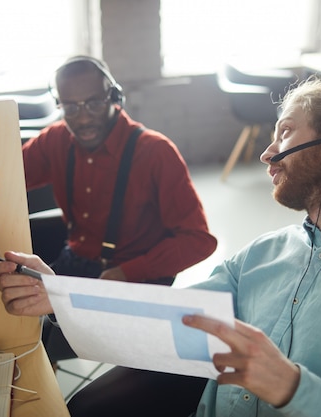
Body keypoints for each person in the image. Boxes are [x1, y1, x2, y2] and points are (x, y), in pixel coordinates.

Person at [0, 79, 321, 416]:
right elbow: (166, 317)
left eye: (285, 132)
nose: (267, 152)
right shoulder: (261, 255)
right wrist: (59, 295)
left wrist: (291, 388)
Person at [21, 56, 217, 364]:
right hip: (75, 262)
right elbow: (7, 176)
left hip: (133, 279)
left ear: (115, 97)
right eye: (70, 107)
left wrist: (127, 272)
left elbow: (199, 240)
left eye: (94, 104)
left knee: (38, 340)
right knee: (18, 321)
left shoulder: (155, 152)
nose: (82, 119)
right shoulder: (56, 139)